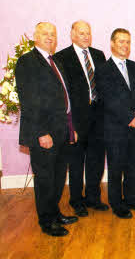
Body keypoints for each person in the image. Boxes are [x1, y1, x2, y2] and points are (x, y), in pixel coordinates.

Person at [15, 22, 78, 236]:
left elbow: (65, 99)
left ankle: (55, 212)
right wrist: (41, 132)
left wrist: (71, 128)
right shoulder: (27, 62)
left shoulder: (56, 61)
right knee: (45, 178)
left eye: (53, 34)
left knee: (59, 176)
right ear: (35, 36)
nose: (50, 37)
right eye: (45, 33)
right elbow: (30, 100)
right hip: (44, 133)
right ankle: (46, 221)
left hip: (62, 130)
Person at [54, 20, 108, 216]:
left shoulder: (98, 55)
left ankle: (93, 198)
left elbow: (104, 85)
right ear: (73, 34)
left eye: (88, 33)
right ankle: (77, 201)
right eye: (82, 33)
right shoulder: (62, 57)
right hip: (76, 120)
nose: (86, 36)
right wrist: (69, 124)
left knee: (96, 161)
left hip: (99, 118)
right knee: (76, 162)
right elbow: (63, 93)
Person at [95, 28, 135, 218]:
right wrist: (129, 117)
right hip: (116, 128)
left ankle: (132, 199)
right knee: (116, 167)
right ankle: (117, 204)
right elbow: (109, 99)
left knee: (134, 165)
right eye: (121, 42)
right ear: (112, 44)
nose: (124, 45)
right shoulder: (102, 70)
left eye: (127, 42)